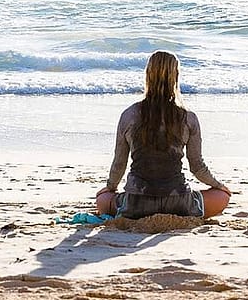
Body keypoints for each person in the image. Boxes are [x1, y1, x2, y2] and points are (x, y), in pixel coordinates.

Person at [96, 50, 231, 219]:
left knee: (102, 199)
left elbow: (119, 163)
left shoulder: (129, 115)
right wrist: (219, 185)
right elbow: (197, 166)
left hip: (136, 203)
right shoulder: (188, 117)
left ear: (148, 75)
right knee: (222, 196)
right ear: (175, 76)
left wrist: (110, 187)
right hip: (178, 202)